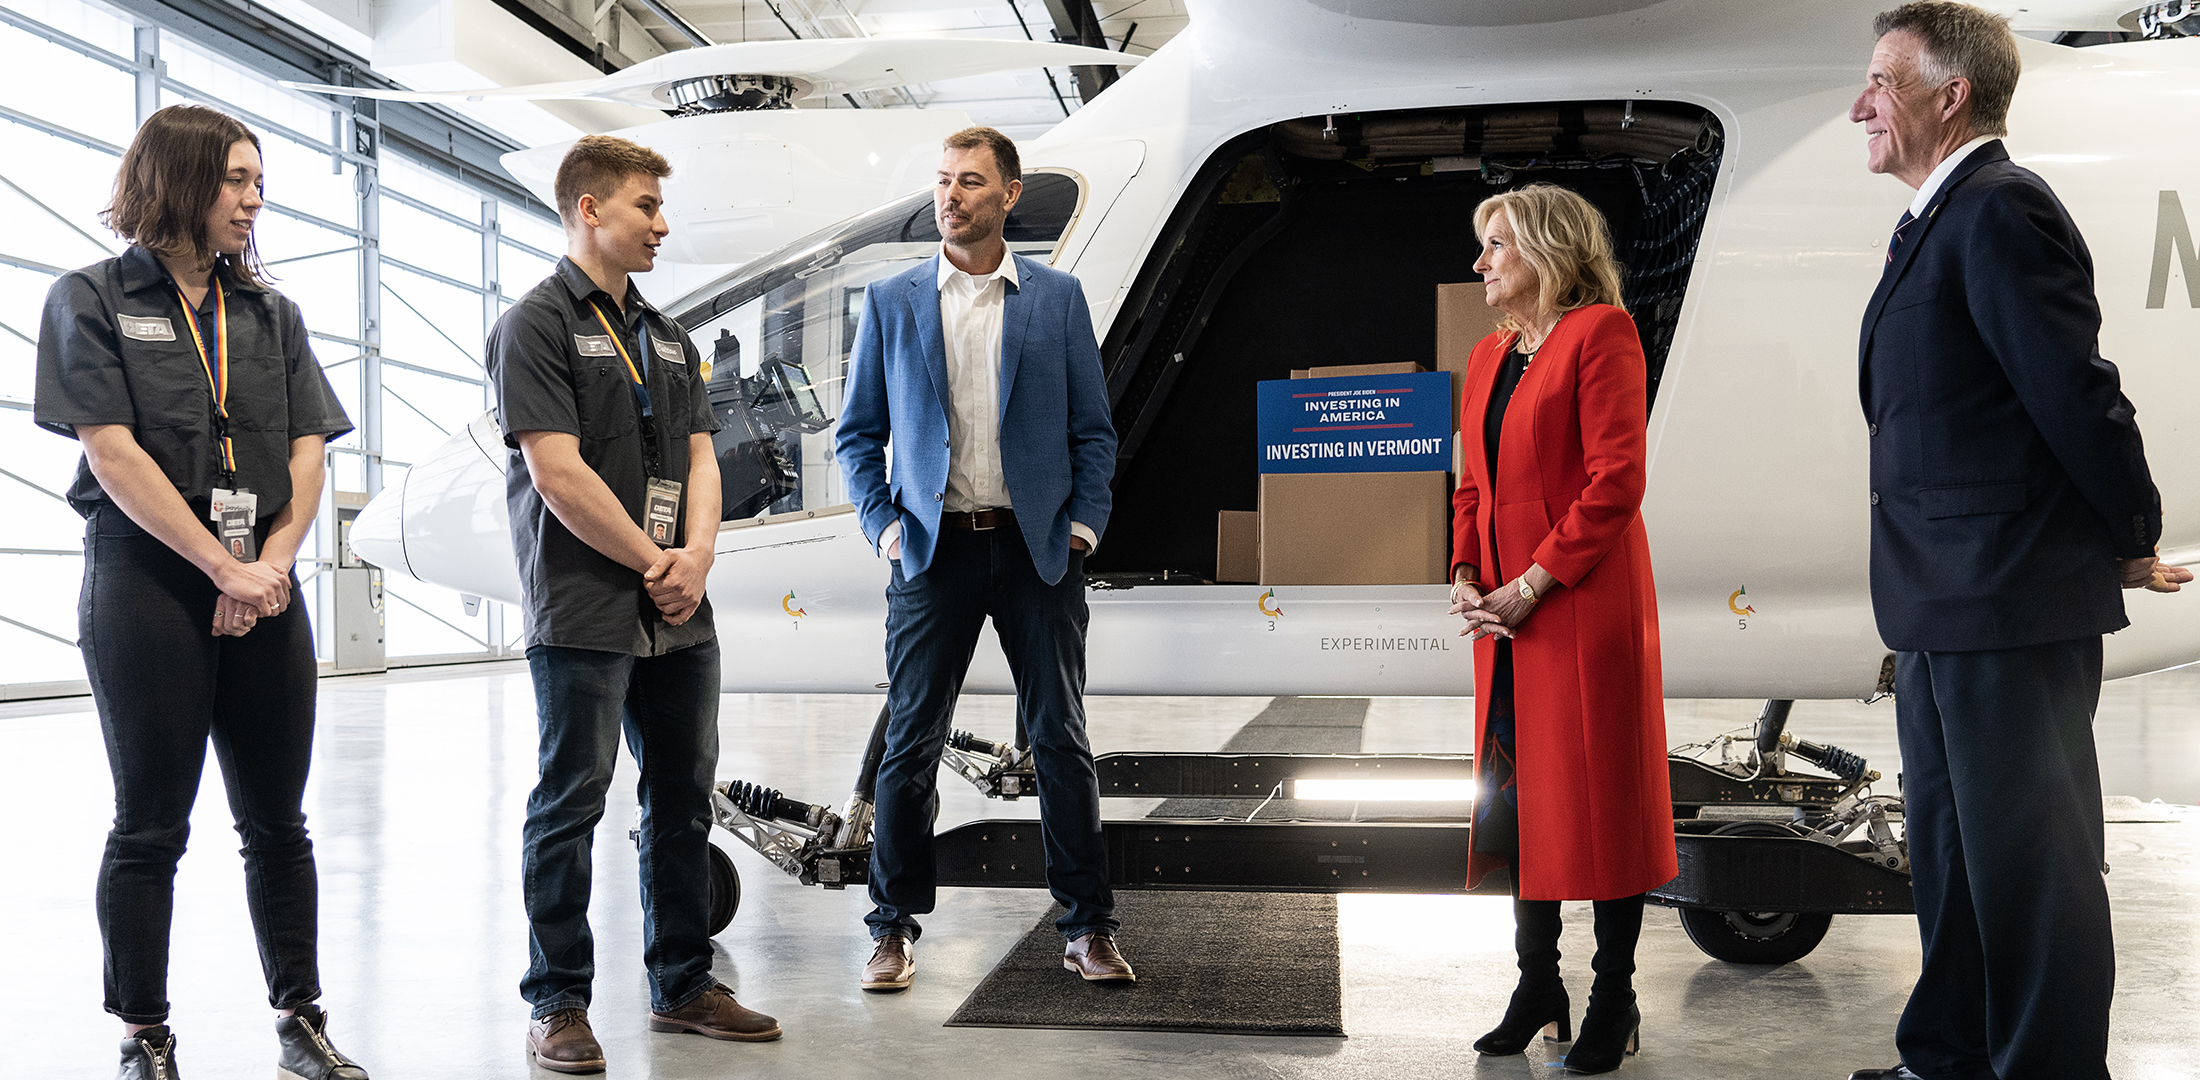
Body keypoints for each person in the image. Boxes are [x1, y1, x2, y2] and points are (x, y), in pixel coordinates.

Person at [1844, 5, 2189, 1080]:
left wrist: (2130, 531)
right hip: (1943, 598)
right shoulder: (1932, 222)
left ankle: (2043, 1067)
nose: (1861, 103)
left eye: (1883, 82)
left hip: (2007, 594)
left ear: (1950, 97)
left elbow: (2075, 395)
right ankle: (1947, 1056)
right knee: (1951, 857)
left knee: (2030, 864)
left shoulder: (2000, 209)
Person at [33, 103, 367, 1080]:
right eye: (236, 180)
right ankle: (145, 1035)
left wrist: (266, 564)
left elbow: (308, 450)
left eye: (258, 183)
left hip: (264, 575)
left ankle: (300, 1021)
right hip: (146, 576)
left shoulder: (272, 316)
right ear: (177, 181)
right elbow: (112, 449)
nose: (253, 201)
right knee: (152, 822)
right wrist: (219, 566)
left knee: (278, 821)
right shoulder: (89, 298)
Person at [487, 134, 779, 1075]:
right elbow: (556, 470)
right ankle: (558, 1001)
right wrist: (660, 557)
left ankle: (683, 985)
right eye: (646, 205)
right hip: (584, 605)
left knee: (683, 799)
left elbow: (701, 456)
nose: (661, 222)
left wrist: (694, 556)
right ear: (590, 210)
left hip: (678, 606)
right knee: (570, 803)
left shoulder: (667, 333)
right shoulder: (533, 324)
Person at [834, 126, 1125, 990]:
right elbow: (858, 437)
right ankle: (891, 927)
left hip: (1038, 552)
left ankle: (1088, 927)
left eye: (969, 181)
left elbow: (1093, 433)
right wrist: (884, 526)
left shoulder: (1056, 298)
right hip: (930, 554)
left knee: (1061, 742)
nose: (950, 195)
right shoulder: (891, 303)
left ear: (1009, 195)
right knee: (909, 744)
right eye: (942, 181)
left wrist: (1081, 528)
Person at [1447, 183, 1675, 1076]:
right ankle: (1536, 986)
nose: (1481, 263)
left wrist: (1534, 582)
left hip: (1579, 603)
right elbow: (1472, 487)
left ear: (1548, 250)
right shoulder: (1485, 357)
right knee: (1514, 799)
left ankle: (1613, 998)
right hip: (1506, 616)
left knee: (1604, 796)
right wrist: (1469, 575)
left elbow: (1617, 480)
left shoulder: (1602, 334)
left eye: (1497, 245)